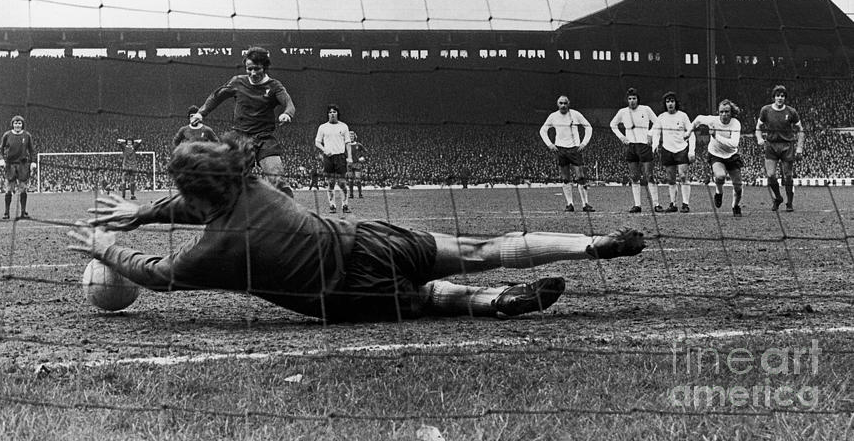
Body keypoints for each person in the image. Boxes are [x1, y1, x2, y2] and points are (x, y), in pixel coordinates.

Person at [67, 140, 646, 323]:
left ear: (197, 192)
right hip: (366, 239)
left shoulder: (218, 249)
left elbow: (161, 275)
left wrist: (109, 247)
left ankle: (497, 302)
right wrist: (144, 212)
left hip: (341, 295)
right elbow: (202, 205)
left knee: (430, 301)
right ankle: (593, 244)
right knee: (481, 248)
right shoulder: (258, 188)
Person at [190, 46, 295, 186]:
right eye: (249, 69)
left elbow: (289, 103)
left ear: (264, 67)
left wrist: (287, 114)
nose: (252, 73)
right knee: (234, 182)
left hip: (264, 139)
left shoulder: (274, 86)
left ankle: (287, 207)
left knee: (278, 181)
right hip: (240, 138)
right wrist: (201, 113)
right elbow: (216, 96)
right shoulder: (237, 82)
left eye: (256, 68)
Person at [687, 99, 744, 217]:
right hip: (716, 154)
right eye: (721, 112)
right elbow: (698, 119)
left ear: (731, 112)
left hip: (732, 155)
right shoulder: (713, 120)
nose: (724, 114)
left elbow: (734, 143)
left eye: (727, 112)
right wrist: (688, 132)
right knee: (720, 176)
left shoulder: (735, 123)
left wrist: (715, 136)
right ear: (718, 112)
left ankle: (735, 206)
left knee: (738, 187)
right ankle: (719, 192)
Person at [538, 95, 594, 212]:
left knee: (581, 177)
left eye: (565, 103)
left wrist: (584, 143)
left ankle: (585, 204)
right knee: (565, 178)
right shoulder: (553, 116)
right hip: (561, 150)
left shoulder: (575, 114)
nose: (563, 105)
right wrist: (550, 144)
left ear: (569, 103)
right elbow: (543, 130)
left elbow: (588, 127)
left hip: (574, 149)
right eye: (561, 103)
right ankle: (570, 204)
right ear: (557, 104)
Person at [609, 88, 660, 214]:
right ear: (627, 100)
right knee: (634, 176)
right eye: (630, 99)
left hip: (644, 145)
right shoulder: (623, 112)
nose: (632, 101)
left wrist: (650, 134)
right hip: (631, 146)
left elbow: (657, 122)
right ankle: (637, 205)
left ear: (638, 99)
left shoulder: (646, 109)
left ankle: (656, 204)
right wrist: (622, 137)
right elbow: (612, 124)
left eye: (634, 98)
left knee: (649, 175)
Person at [754, 85, 804, 212]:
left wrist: (799, 148)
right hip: (771, 146)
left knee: (788, 176)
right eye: (777, 95)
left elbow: (801, 130)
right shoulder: (765, 110)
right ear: (774, 97)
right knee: (770, 175)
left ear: (785, 98)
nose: (780, 98)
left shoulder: (791, 112)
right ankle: (778, 198)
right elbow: (758, 127)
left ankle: (789, 203)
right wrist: (759, 138)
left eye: (782, 96)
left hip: (787, 145)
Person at [651, 92, 695, 213]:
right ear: (665, 104)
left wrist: (692, 151)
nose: (670, 103)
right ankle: (673, 203)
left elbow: (691, 133)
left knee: (683, 176)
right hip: (667, 149)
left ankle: (685, 204)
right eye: (668, 101)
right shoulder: (661, 117)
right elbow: (656, 133)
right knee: (670, 178)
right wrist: (655, 145)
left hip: (681, 149)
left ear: (676, 103)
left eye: (672, 101)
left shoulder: (683, 116)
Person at [0, 115, 37, 219]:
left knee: (23, 188)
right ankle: (6, 213)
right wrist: (1, 159)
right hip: (10, 164)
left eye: (19, 123)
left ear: (22, 124)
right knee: (9, 188)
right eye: (15, 123)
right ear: (12, 124)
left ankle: (23, 212)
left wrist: (33, 162)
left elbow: (32, 150)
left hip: (23, 164)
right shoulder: (7, 135)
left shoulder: (27, 135)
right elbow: (0, 149)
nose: (17, 125)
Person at [315, 105, 351, 213]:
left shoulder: (344, 126)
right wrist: (324, 149)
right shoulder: (323, 127)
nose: (332, 114)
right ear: (328, 114)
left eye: (334, 112)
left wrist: (349, 157)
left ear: (337, 114)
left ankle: (345, 205)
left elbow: (348, 142)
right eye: (330, 112)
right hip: (328, 158)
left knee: (342, 183)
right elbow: (317, 142)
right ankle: (332, 205)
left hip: (340, 157)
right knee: (330, 183)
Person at [346, 131, 368, 199]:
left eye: (352, 136)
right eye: (350, 136)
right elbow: (342, 153)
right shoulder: (346, 145)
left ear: (354, 137)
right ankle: (351, 194)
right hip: (349, 164)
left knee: (358, 179)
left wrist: (363, 157)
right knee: (350, 179)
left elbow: (366, 152)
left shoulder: (358, 145)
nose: (351, 137)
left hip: (357, 164)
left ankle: (360, 194)